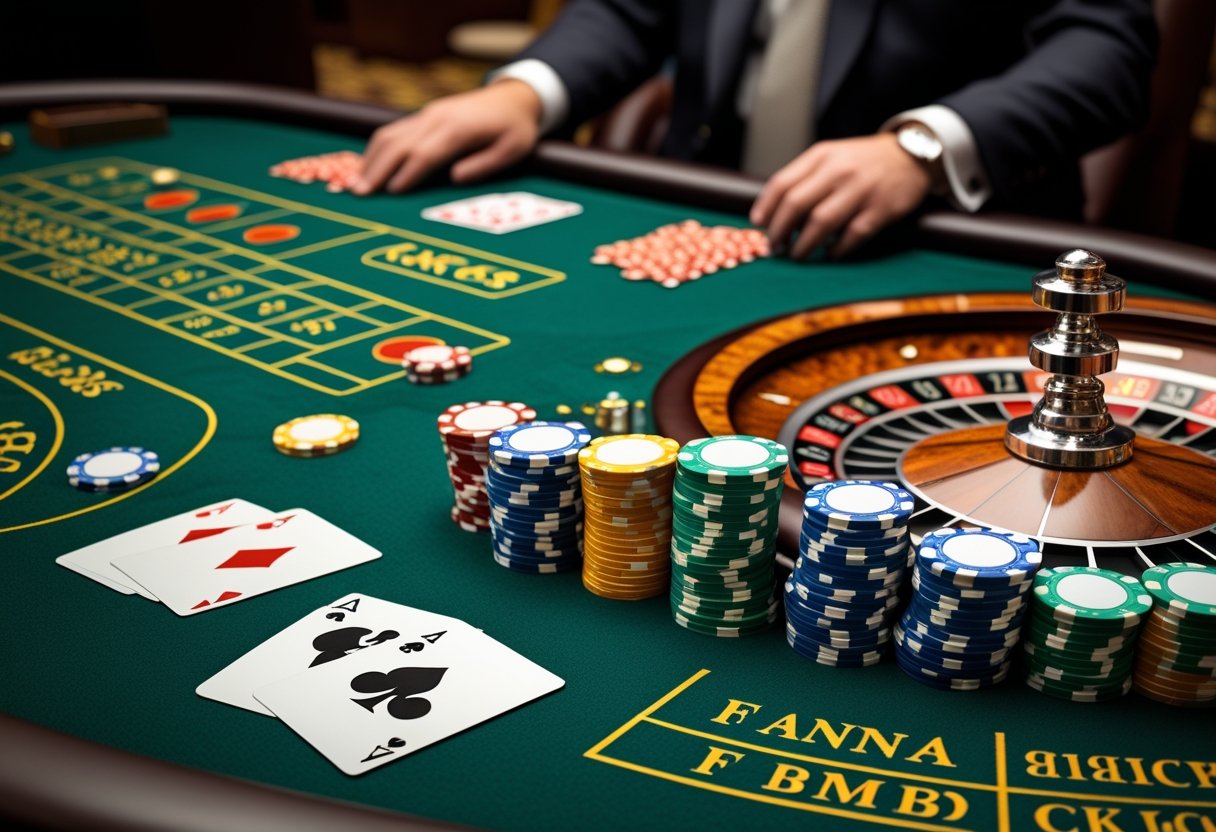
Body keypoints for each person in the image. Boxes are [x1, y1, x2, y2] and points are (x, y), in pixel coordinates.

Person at [354, 0, 1156, 259]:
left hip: (930, 243)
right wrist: (526, 92)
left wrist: (925, 146)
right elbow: (630, 10)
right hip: (711, 219)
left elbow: (1105, 50)